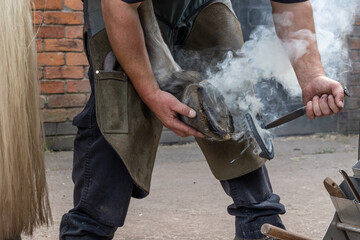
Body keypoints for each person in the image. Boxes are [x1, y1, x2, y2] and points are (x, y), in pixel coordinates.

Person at [59, 0, 345, 239]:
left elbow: (291, 3)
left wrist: (312, 77)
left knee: (232, 102)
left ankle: (260, 221)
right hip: (121, 7)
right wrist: (151, 93)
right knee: (119, 113)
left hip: (199, 4)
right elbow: (119, 5)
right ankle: (89, 229)